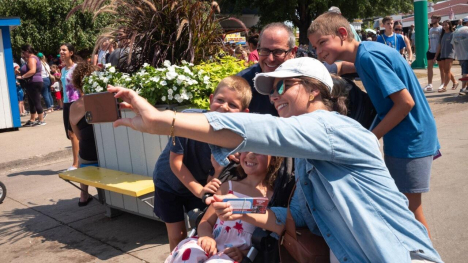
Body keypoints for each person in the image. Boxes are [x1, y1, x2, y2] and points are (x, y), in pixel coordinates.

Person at [106, 57, 442, 262]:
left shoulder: (334, 128)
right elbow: (290, 217)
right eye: (271, 90)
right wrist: (237, 208)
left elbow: (263, 130)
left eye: (284, 87)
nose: (275, 96)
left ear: (314, 91)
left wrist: (164, 120)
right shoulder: (308, 159)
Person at [308, 12, 440, 239]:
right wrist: (333, 69)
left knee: (409, 211)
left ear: (342, 34)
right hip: (411, 136)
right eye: (315, 47)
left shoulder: (369, 57)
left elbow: (405, 103)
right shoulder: (367, 52)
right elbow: (353, 66)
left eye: (322, 43)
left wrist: (370, 137)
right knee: (405, 206)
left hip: (410, 139)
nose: (319, 52)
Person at [152, 76, 252, 251]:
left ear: (244, 112)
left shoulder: (237, 140)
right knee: (177, 235)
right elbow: (175, 162)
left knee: (202, 228)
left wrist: (218, 171)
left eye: (233, 105)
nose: (224, 107)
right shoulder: (188, 120)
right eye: (220, 100)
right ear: (211, 99)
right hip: (169, 182)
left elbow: (213, 179)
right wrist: (199, 191)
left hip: (202, 183)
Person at [164, 152, 283, 263]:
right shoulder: (228, 187)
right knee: (188, 252)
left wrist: (243, 253)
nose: (250, 155)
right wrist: (206, 236)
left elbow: (266, 243)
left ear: (273, 159)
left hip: (232, 254)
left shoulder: (271, 198)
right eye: (246, 149)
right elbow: (205, 221)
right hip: (210, 242)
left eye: (258, 151)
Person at [236, 22, 297, 116]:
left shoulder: (305, 81)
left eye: (278, 51)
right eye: (265, 50)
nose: (270, 59)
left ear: (292, 52)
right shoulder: (241, 83)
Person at [70, 63, 100, 206]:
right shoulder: (103, 101)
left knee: (83, 154)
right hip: (105, 158)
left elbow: (78, 136)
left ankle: (83, 194)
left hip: (88, 157)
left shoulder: (74, 107)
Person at [60, 43, 81, 171]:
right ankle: (79, 161)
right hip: (67, 104)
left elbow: (81, 86)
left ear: (71, 53)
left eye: (64, 50)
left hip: (76, 103)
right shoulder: (63, 69)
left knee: (74, 134)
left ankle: (76, 163)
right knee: (70, 134)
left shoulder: (77, 68)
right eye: (60, 50)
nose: (61, 52)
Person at [17, 44, 46, 127]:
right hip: (33, 82)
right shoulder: (34, 58)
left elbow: (32, 71)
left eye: (23, 52)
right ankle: (32, 119)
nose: (23, 54)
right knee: (31, 102)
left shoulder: (31, 58)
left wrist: (22, 76)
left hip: (34, 82)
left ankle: (41, 119)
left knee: (36, 101)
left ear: (27, 51)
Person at [434, 20, 458, 92]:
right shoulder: (442, 34)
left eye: (446, 25)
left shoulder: (453, 34)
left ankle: (444, 87)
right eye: (443, 25)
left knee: (447, 71)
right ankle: (455, 82)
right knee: (446, 70)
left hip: (450, 54)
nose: (444, 26)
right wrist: (436, 56)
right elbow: (439, 46)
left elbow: (456, 44)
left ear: (449, 25)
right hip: (443, 54)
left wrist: (457, 54)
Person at [424, 15, 443, 92]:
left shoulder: (441, 28)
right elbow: (430, 40)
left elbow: (441, 42)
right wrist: (429, 48)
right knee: (429, 68)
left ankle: (442, 83)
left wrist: (437, 53)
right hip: (431, 51)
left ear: (438, 19)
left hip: (439, 51)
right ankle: (430, 84)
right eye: (431, 18)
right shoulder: (431, 29)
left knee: (442, 68)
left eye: (434, 18)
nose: (432, 19)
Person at [452, 17, 468, 93]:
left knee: (464, 72)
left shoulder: (456, 31)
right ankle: (463, 89)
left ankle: (466, 88)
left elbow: (453, 44)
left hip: (460, 55)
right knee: (465, 73)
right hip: (467, 55)